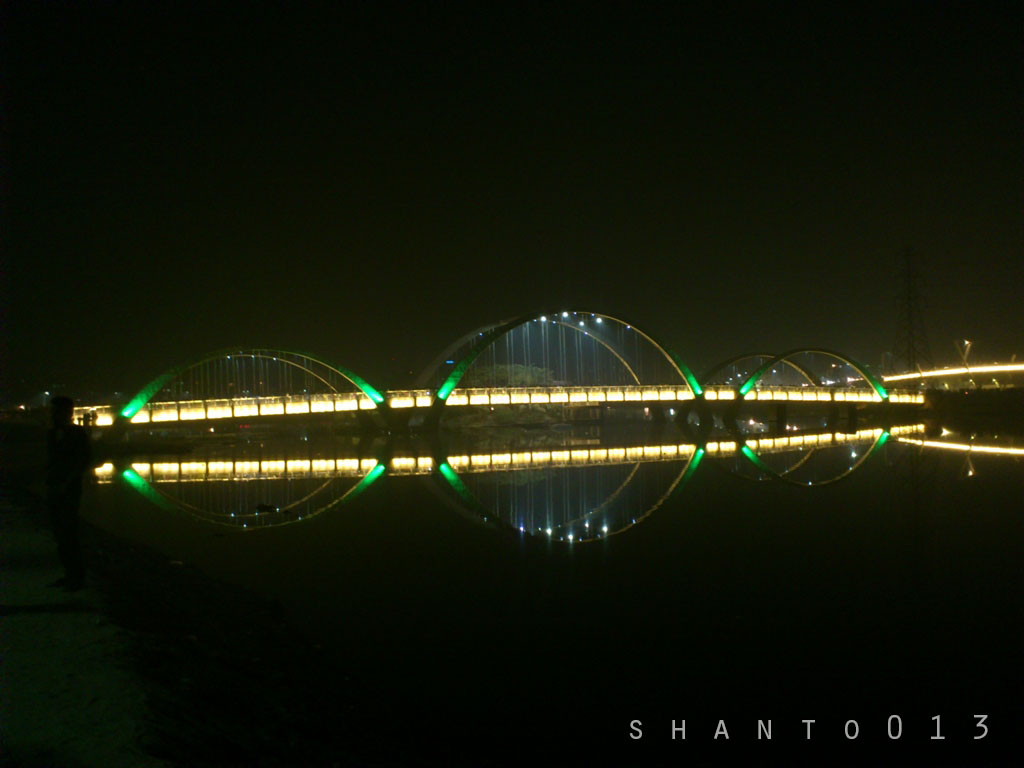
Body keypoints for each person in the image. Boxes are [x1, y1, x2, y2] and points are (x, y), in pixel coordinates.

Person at [45, 396, 92, 591]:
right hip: (55, 488)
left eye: (56, 410)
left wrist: (65, 482)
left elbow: (82, 461)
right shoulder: (52, 433)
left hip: (69, 489)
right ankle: (70, 574)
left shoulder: (77, 434)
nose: (53, 414)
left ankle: (76, 577)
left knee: (68, 532)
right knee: (60, 533)